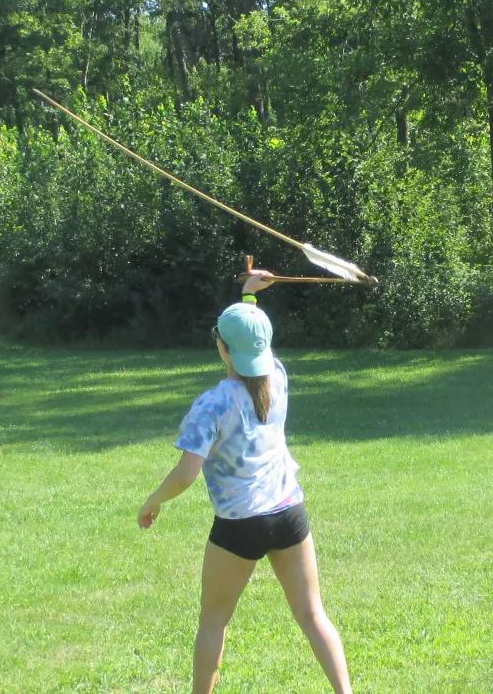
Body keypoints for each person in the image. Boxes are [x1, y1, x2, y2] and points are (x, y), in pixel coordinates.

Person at [138, 270, 353, 693]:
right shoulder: (278, 376)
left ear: (220, 346)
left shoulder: (212, 404)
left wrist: (153, 500)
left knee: (214, 621)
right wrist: (249, 298)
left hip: (240, 525)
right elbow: (254, 341)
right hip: (289, 513)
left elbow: (185, 474)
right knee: (313, 616)